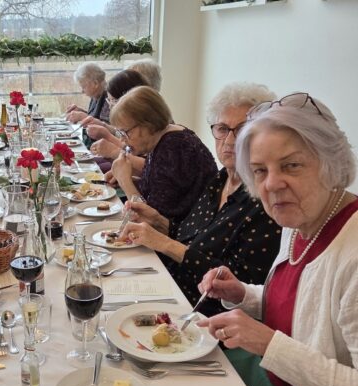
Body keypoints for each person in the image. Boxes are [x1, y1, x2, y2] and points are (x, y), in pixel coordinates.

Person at [196, 92, 358, 386]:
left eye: (292, 165)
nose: (271, 184)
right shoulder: (299, 219)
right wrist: (243, 295)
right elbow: (303, 307)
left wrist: (269, 345)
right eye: (260, 170)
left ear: (331, 162)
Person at [120, 83, 281, 316]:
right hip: (170, 284)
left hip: (201, 312)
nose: (230, 140)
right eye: (222, 129)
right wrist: (158, 221)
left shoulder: (264, 200)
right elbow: (193, 237)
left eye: (243, 129)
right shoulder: (221, 180)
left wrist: (164, 243)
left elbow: (239, 286)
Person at [107, 86, 217, 223]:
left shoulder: (174, 149)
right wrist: (129, 178)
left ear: (147, 124)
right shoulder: (166, 138)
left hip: (188, 231)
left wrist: (125, 181)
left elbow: (152, 221)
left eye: (125, 132)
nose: (122, 140)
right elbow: (159, 187)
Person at [83, 69, 150, 167]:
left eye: (113, 101)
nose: (110, 106)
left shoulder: (145, 125)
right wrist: (103, 125)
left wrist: (109, 139)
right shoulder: (134, 121)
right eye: (108, 100)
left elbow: (147, 166)